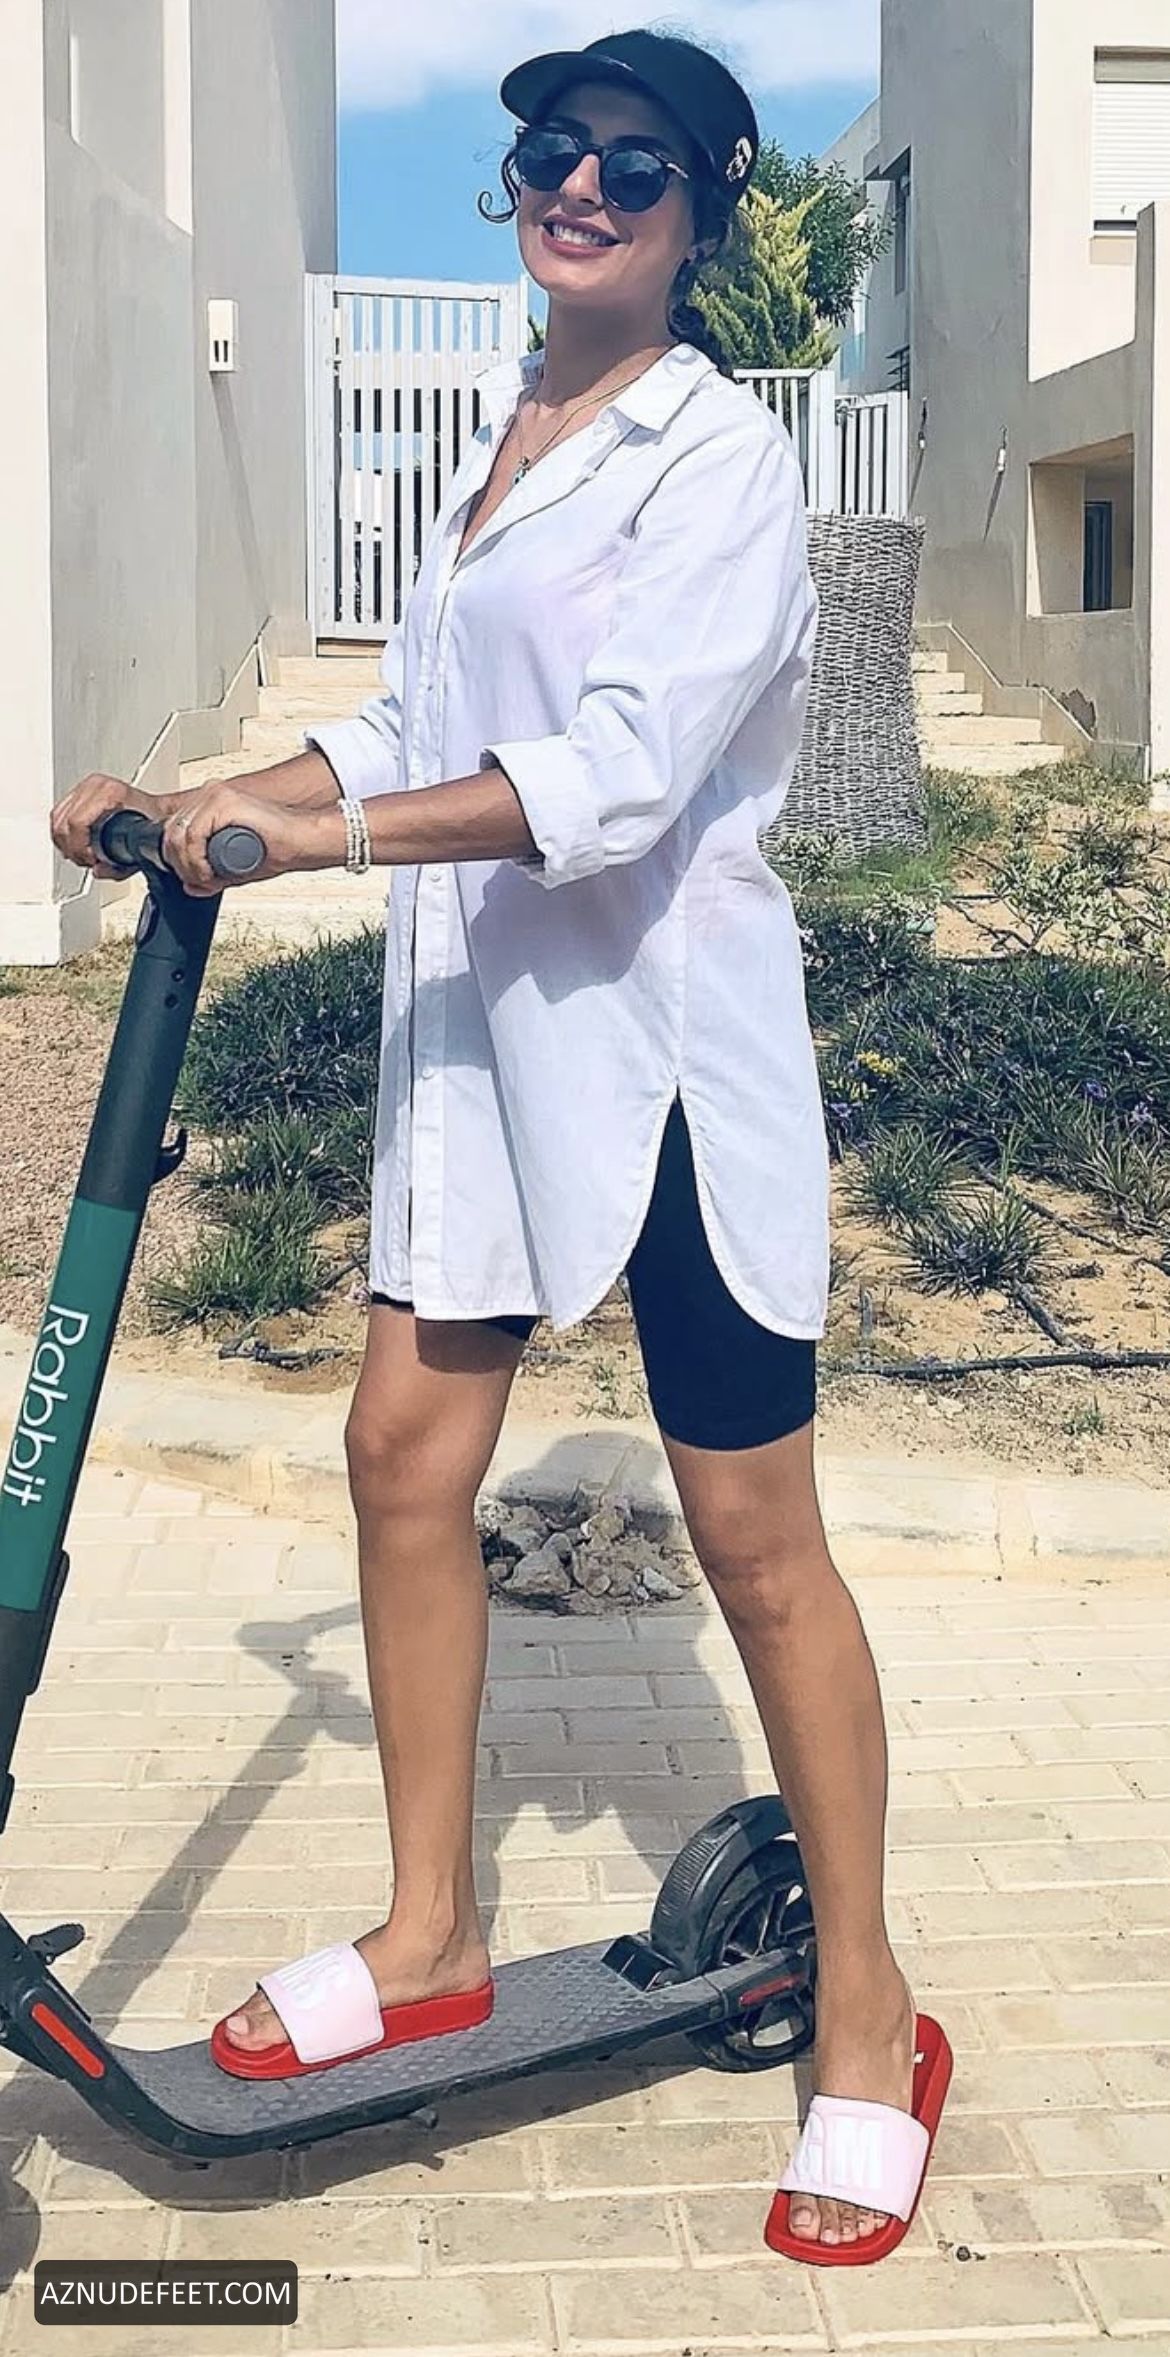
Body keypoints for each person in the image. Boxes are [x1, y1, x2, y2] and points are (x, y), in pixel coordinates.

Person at [53, 29, 949, 2263]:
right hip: (477, 1036)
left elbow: (623, 777)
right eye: (555, 149)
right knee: (399, 1456)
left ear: (701, 214)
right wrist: (211, 793)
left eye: (638, 166)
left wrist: (322, 838)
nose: (582, 186)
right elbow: (415, 719)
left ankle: (868, 2007)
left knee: (751, 1535)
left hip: (660, 1049)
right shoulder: (507, 428)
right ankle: (432, 1926)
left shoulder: (717, 455)